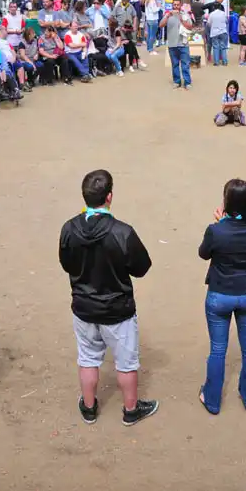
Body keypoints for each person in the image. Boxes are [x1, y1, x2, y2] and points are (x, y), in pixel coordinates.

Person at [58, 169, 158, 426]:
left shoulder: (69, 228)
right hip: (117, 309)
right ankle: (131, 409)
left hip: (84, 307)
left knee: (88, 358)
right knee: (126, 362)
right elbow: (142, 267)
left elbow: (66, 263)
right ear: (110, 197)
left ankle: (89, 407)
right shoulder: (122, 232)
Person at [197, 179, 246, 414]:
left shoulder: (216, 231)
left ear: (226, 202)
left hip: (220, 295)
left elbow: (203, 253)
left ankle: (213, 400)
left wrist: (221, 223)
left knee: (218, 349)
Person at [161, 0, 193, 90]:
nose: (175, 7)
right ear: (172, 5)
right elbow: (161, 25)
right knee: (174, 64)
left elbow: (190, 26)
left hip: (183, 44)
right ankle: (176, 81)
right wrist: (167, 15)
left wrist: (181, 19)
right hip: (172, 44)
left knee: (185, 64)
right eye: (174, 5)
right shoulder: (168, 15)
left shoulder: (185, 14)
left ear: (180, 5)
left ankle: (187, 82)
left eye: (177, 5)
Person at [208, 2, 229, 67]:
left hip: (214, 32)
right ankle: (224, 62)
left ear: (213, 7)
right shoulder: (223, 13)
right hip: (223, 31)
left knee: (215, 47)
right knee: (223, 47)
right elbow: (226, 21)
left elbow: (209, 23)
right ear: (220, 6)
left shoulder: (211, 14)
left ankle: (216, 62)